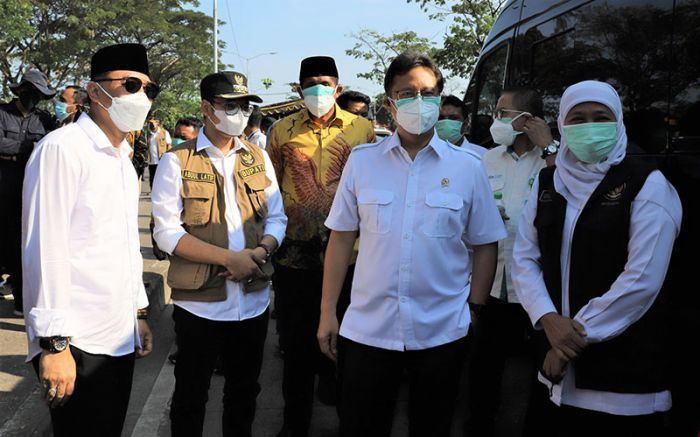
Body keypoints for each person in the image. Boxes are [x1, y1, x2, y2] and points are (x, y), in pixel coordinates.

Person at [317, 50, 506, 437]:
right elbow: (340, 238)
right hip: (368, 330)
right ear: (389, 104)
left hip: (442, 331)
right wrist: (327, 312)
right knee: (360, 426)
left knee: (432, 426)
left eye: (428, 92)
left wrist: (475, 308)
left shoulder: (468, 167)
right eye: (407, 93)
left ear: (440, 98)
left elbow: (486, 243)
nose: (419, 102)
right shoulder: (363, 162)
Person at [512, 80, 682, 436]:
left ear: (618, 122)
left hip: (623, 386)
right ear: (561, 125)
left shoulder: (648, 184)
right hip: (554, 382)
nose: (589, 126)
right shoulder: (548, 182)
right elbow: (525, 258)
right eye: (577, 118)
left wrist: (571, 339)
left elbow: (641, 280)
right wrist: (547, 318)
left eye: (600, 117)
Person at [21, 43, 156, 437]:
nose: (141, 97)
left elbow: (123, 245)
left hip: (116, 332)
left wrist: (139, 313)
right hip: (77, 339)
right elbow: (45, 250)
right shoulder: (63, 150)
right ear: (94, 91)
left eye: (149, 89)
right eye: (130, 84)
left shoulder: (121, 157)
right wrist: (54, 344)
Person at [152, 70, 287, 437]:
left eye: (244, 105)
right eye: (230, 105)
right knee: (191, 397)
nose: (239, 113)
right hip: (200, 306)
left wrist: (259, 251)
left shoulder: (257, 156)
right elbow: (166, 232)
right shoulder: (176, 161)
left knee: (244, 394)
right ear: (207, 109)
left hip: (253, 301)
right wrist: (231, 259)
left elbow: (277, 216)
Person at [267, 55, 375, 437]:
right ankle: (295, 423)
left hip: (350, 261)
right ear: (299, 89)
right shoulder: (280, 132)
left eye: (325, 82)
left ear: (338, 88)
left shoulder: (362, 130)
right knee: (296, 349)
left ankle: (349, 418)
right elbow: (273, 191)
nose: (318, 89)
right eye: (310, 83)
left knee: (347, 344)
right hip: (295, 260)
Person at [466, 87, 558, 436]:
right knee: (485, 366)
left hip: (538, 287)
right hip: (494, 282)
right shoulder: (486, 161)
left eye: (504, 113)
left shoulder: (555, 158)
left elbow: (567, 193)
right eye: (497, 111)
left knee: (542, 367)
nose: (497, 119)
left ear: (528, 120)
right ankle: (479, 426)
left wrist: (548, 145)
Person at [0, 69, 56, 316]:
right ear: (20, 91)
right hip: (3, 180)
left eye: (39, 95)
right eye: (30, 93)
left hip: (31, 185)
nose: (34, 98)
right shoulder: (2, 113)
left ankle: (22, 300)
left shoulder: (44, 119)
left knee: (26, 241)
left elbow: (54, 145)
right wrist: (30, 146)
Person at [146, 117, 172, 189]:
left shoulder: (164, 133)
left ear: (158, 125)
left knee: (162, 178)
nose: (152, 127)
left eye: (153, 125)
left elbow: (169, 145)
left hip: (162, 160)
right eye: (150, 125)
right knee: (152, 179)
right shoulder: (148, 134)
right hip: (151, 161)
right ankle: (153, 194)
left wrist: (168, 158)